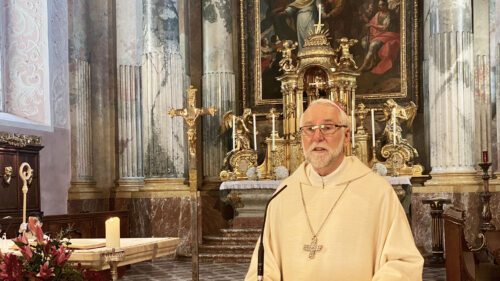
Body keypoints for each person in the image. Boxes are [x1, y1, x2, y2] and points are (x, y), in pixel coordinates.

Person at [245, 99, 423, 281]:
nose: (317, 137)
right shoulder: (284, 193)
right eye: (309, 129)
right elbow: (264, 263)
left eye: (327, 127)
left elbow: (402, 263)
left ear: (346, 136)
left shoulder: (377, 193)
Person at [358, 0, 400, 74]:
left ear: (386, 5)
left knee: (373, 45)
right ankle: (372, 62)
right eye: (379, 5)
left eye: (382, 5)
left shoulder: (389, 15)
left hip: (387, 34)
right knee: (364, 42)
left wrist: (371, 25)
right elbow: (371, 22)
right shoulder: (378, 14)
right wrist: (368, 24)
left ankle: (363, 66)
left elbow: (384, 28)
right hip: (376, 34)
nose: (380, 7)